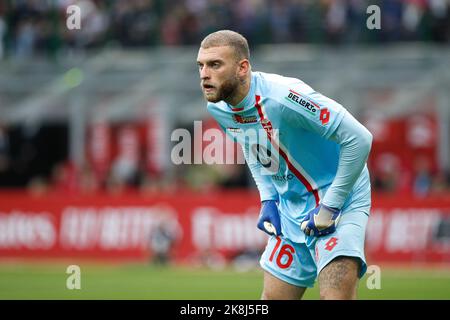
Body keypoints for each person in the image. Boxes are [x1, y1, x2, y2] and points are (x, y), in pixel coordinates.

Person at [197, 30, 373, 300]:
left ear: (242, 68)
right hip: (290, 207)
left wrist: (332, 204)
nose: (204, 74)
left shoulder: (284, 97)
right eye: (201, 65)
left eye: (215, 64)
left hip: (340, 200)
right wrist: (268, 198)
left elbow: (360, 139)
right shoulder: (219, 107)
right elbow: (251, 144)